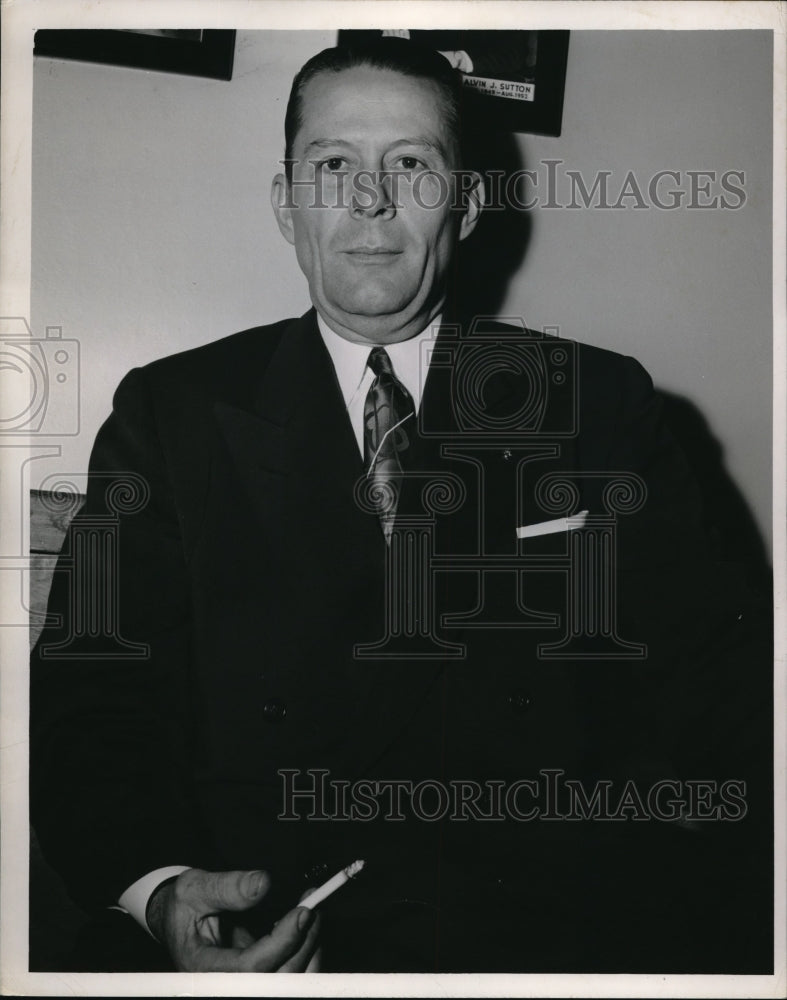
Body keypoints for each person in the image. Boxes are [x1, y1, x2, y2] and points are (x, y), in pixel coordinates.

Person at [30, 38, 772, 974]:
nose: (369, 200)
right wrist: (165, 890)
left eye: (411, 166)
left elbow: (717, 699)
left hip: (542, 936)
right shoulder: (170, 413)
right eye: (332, 165)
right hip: (264, 926)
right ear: (286, 204)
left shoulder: (598, 402)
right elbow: (94, 700)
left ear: (462, 205)